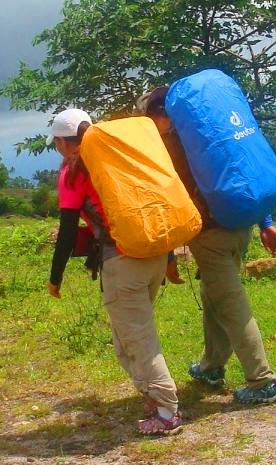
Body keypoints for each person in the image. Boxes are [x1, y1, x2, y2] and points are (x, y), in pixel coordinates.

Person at [139, 86, 276, 406]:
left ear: (155, 116)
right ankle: (211, 367)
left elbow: (165, 202)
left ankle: (262, 381)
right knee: (214, 294)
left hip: (210, 236)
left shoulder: (168, 148)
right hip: (240, 224)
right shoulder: (208, 135)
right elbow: (243, 169)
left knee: (230, 302)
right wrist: (266, 222)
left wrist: (167, 255)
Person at [47, 108, 184, 437]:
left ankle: (167, 412)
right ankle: (154, 400)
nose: (58, 150)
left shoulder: (74, 172)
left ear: (66, 143)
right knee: (125, 340)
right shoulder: (119, 155)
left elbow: (67, 230)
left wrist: (55, 277)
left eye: (57, 144)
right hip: (150, 255)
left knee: (138, 339)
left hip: (123, 261)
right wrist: (167, 256)